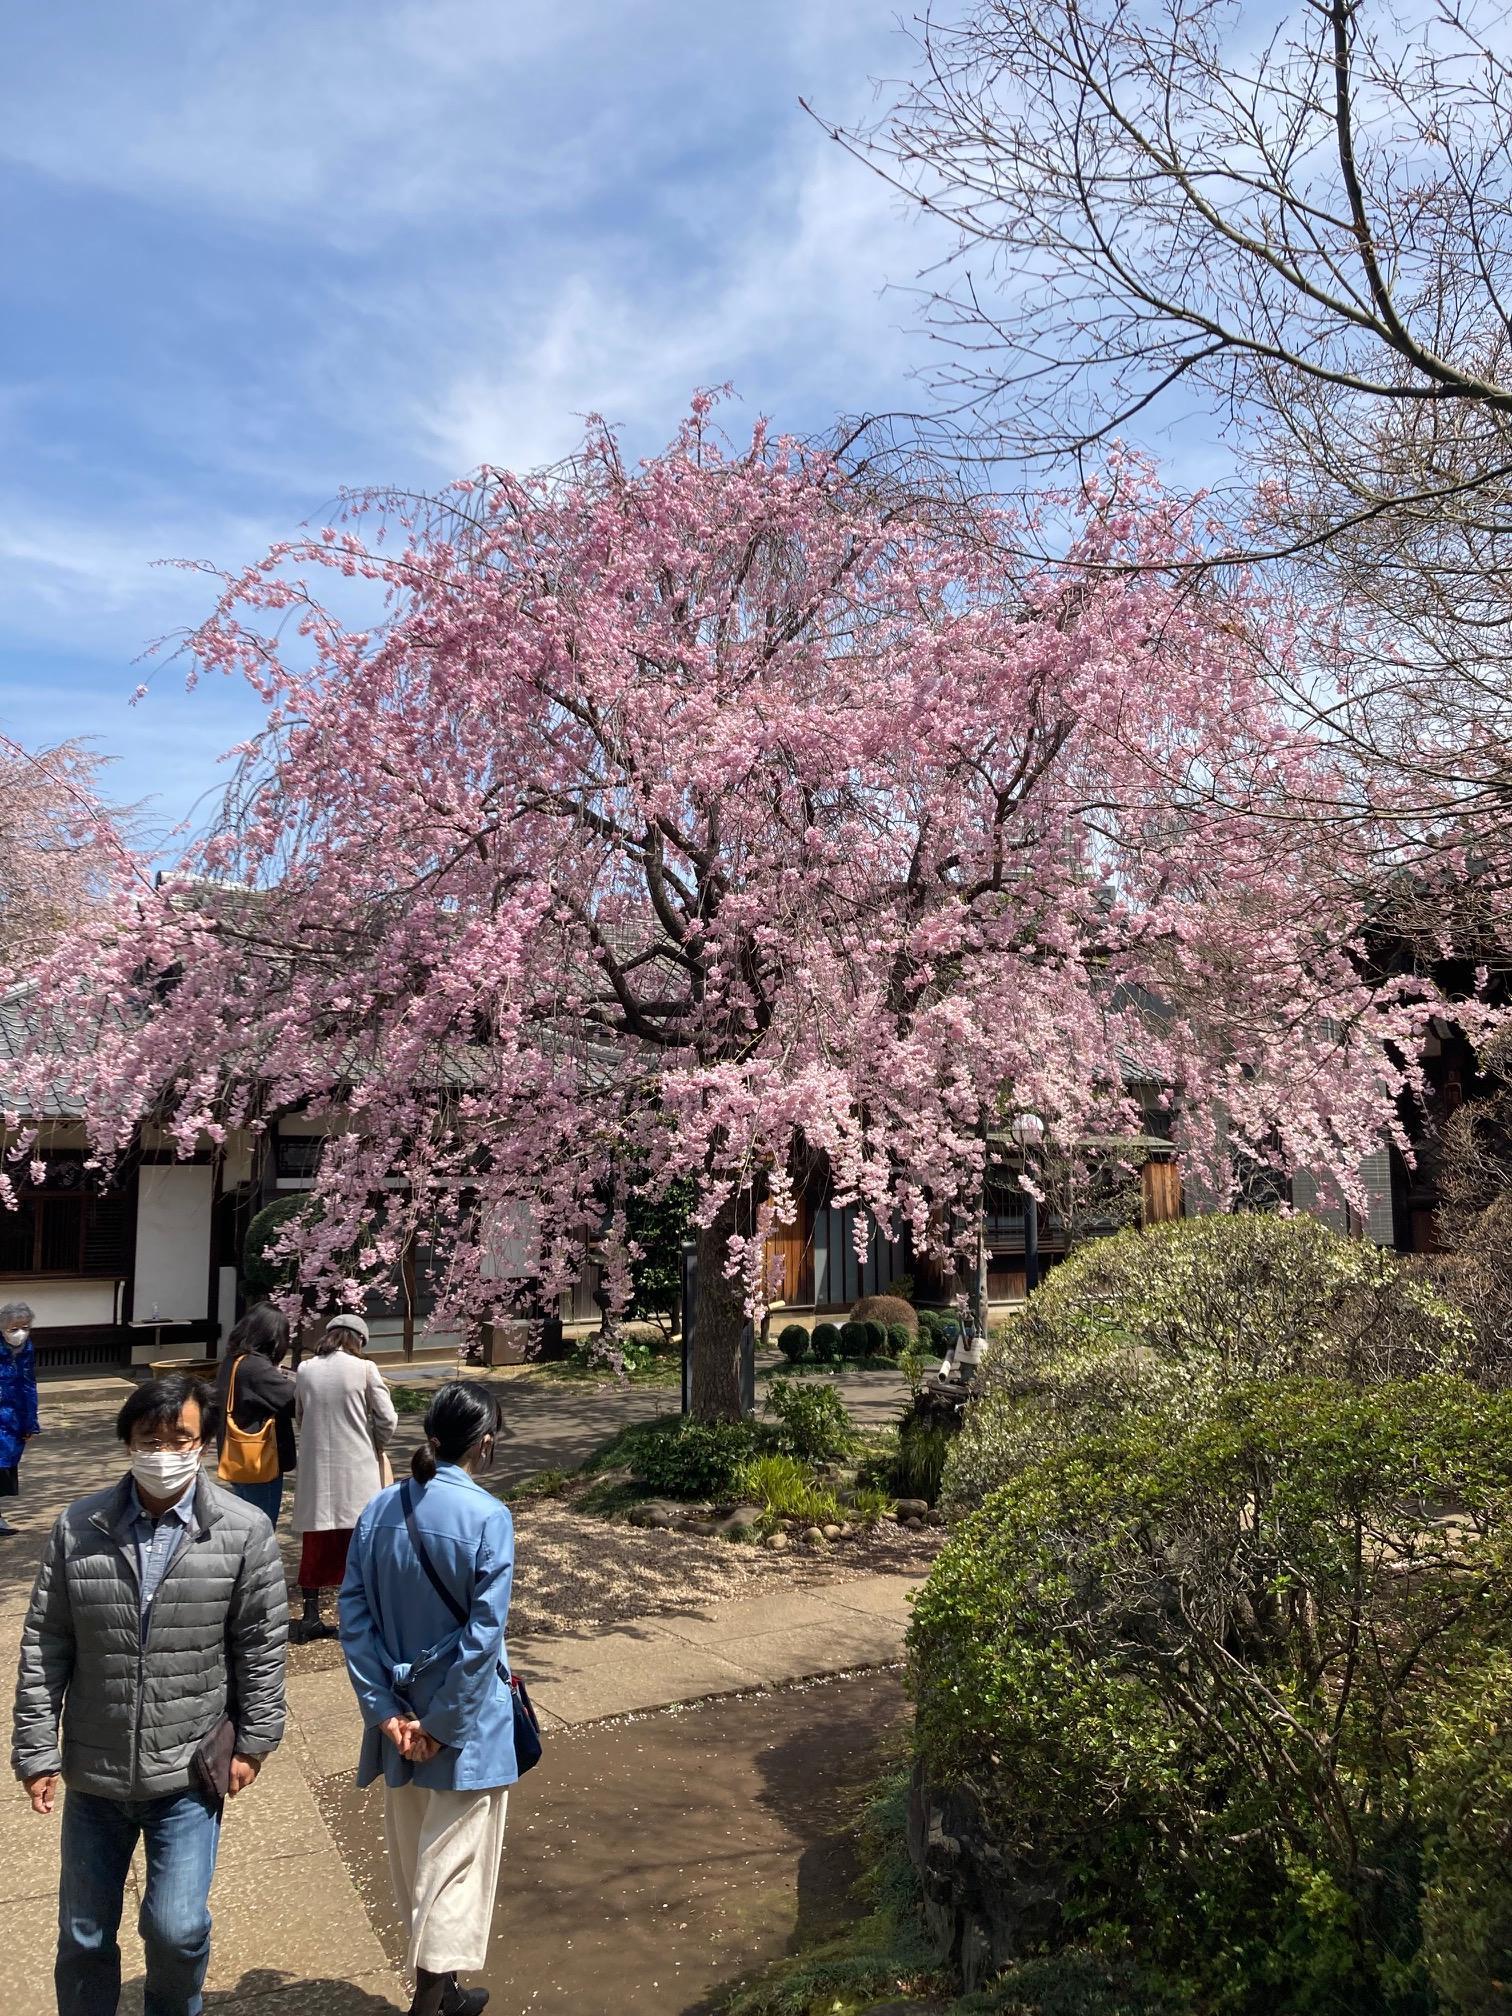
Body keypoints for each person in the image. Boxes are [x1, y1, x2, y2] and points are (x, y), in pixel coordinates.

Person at [11, 1373, 288, 2016]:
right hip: (95, 1772)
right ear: (128, 1443)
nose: (164, 1452)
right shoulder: (79, 1527)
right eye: (149, 1438)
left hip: (188, 1774)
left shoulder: (242, 1531)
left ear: (203, 1443)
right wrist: (36, 1750)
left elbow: (261, 1645)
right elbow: (45, 1644)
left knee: (177, 1929)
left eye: (180, 1438)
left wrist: (254, 1743)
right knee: (83, 1936)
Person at [339, 1381, 515, 2016]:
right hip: (462, 1726)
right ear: (484, 1443)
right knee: (456, 1867)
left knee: (416, 1859)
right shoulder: (489, 1518)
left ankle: (441, 1992)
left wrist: (384, 1711)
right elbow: (483, 1639)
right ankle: (431, 2001)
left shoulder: (379, 1510)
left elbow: (352, 1617)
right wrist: (441, 1724)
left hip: (396, 1719)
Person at [291, 1313, 397, 1642]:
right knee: (359, 1543)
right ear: (357, 1341)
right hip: (357, 1469)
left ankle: (310, 1615)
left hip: (317, 1470)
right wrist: (375, 1445)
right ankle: (358, 1615)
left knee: (316, 1541)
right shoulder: (365, 1369)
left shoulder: (306, 1370)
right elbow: (387, 1418)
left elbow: (299, 1414)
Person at [213, 1303, 297, 1528]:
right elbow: (294, 1402)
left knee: (244, 1525)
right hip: (259, 1463)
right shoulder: (256, 1367)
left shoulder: (233, 1360)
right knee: (262, 1528)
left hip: (236, 1458)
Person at [0, 1299, 40, 1537]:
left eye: (25, 1326)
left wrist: (29, 1424)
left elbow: (28, 1387)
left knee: (4, 1469)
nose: (20, 1333)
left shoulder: (26, 1349)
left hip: (12, 1419)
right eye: (14, 1328)